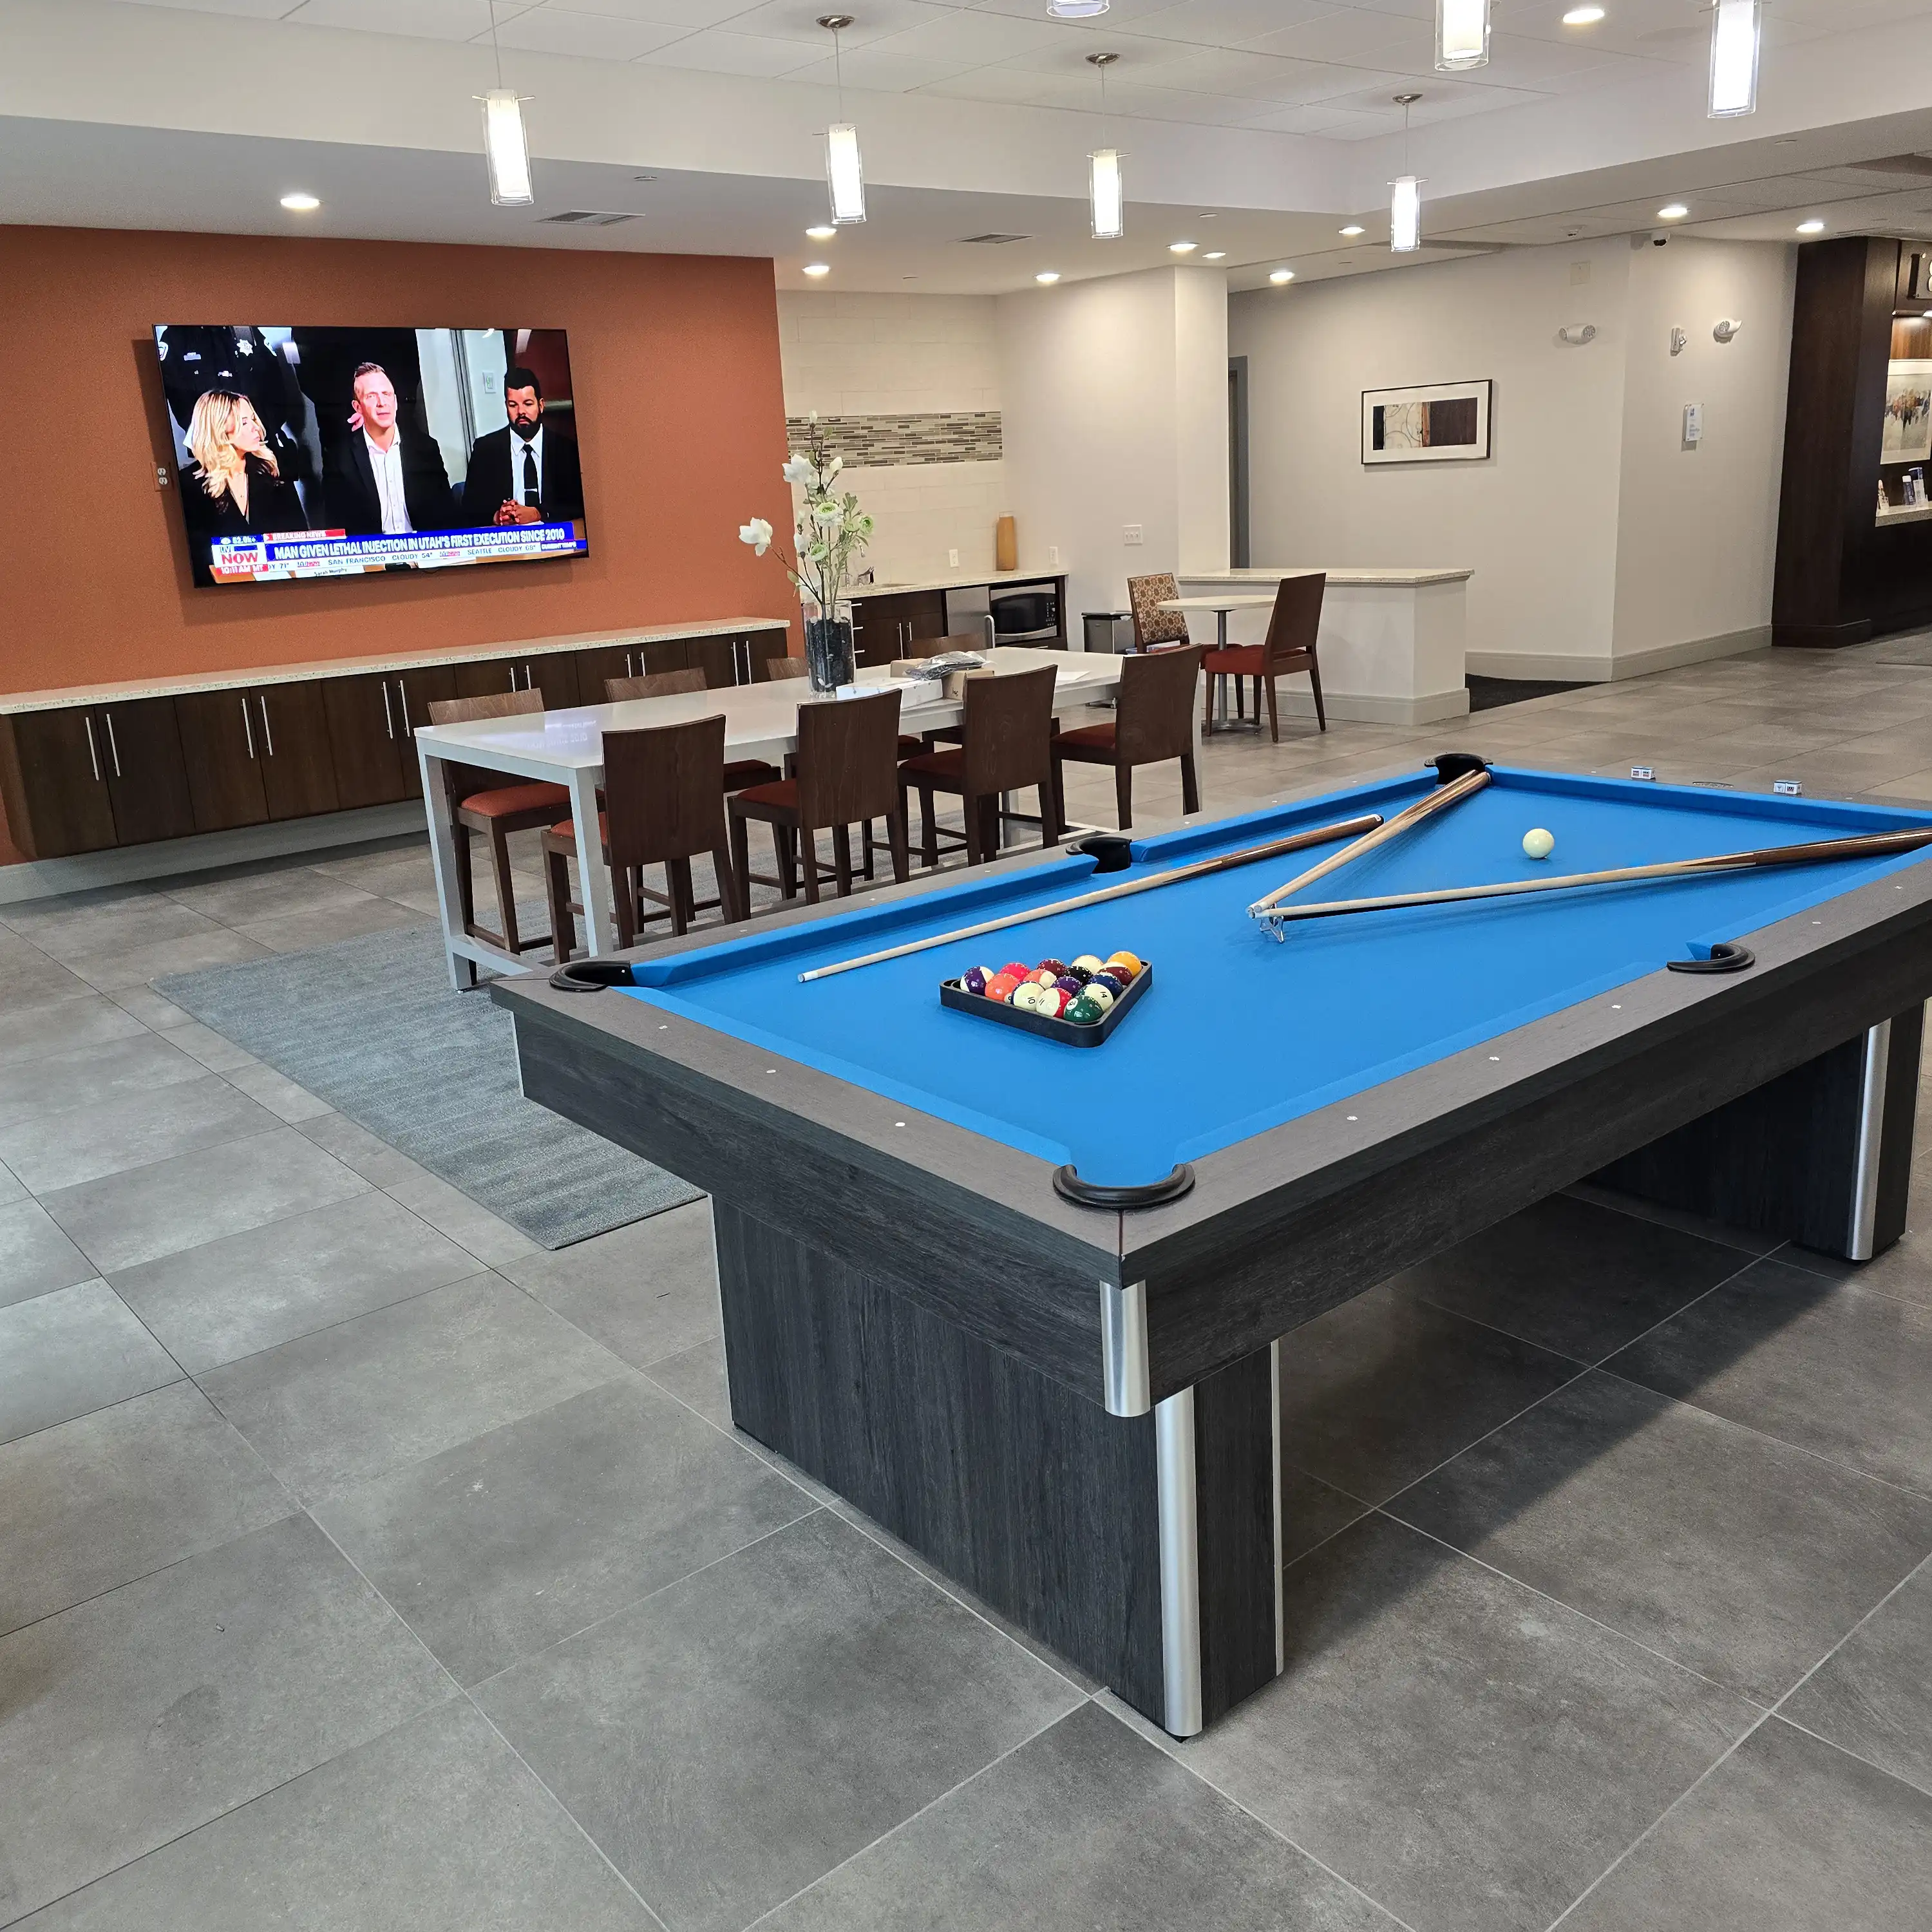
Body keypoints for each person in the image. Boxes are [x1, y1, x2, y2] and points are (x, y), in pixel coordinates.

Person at [177, 388, 309, 582]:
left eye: (253, 419)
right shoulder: (190, 485)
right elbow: (194, 560)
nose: (256, 428)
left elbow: (300, 544)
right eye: (245, 422)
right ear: (219, 428)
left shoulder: (273, 474)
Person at [322, 361, 459, 538]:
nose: (382, 403)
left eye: (387, 394)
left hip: (423, 553)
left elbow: (447, 517)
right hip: (372, 557)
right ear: (358, 408)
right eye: (371, 396)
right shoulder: (339, 458)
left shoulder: (425, 448)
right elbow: (337, 528)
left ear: (395, 401)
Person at [461, 366, 585, 526]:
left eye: (527, 404)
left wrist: (538, 513)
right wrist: (497, 516)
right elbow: (469, 509)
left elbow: (580, 505)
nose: (521, 412)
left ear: (541, 405)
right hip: (506, 542)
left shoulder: (565, 449)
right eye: (513, 405)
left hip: (555, 541)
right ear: (506, 407)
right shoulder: (485, 450)